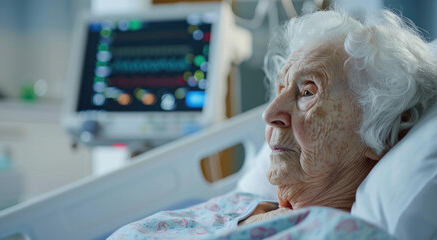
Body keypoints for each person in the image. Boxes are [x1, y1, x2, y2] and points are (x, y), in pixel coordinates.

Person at [108, 8, 437, 239]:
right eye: (280, 90)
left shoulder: (337, 234)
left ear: (383, 131)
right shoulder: (244, 207)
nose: (269, 114)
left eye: (307, 92)